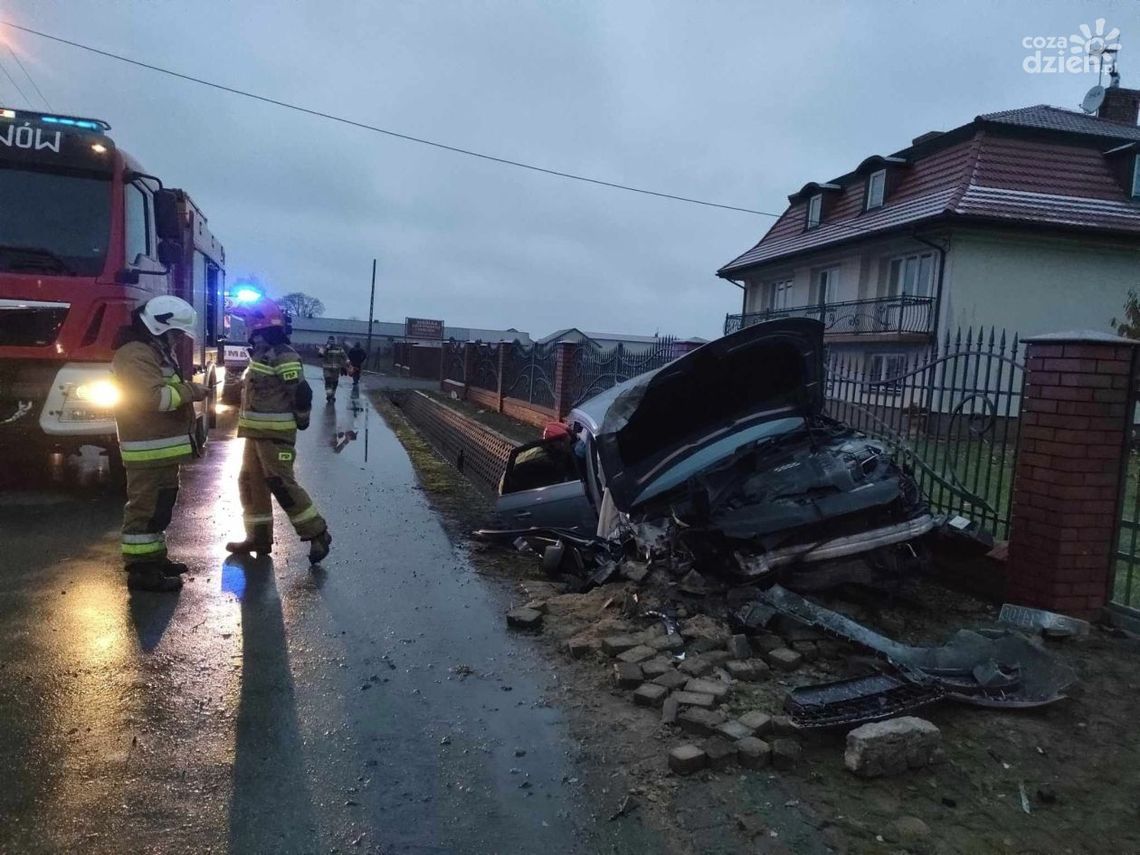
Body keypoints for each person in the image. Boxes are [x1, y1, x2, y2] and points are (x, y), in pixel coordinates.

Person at [111, 295, 209, 592]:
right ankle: (141, 571)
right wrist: (191, 391)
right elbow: (153, 398)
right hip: (147, 446)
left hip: (159, 446)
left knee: (159, 506)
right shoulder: (135, 354)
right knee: (145, 508)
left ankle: (154, 558)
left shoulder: (153, 350)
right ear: (158, 327)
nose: (177, 339)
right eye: (175, 333)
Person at [225, 296, 332, 565]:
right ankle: (258, 537)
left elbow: (301, 391)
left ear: (259, 324)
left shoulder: (283, 354)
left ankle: (317, 533)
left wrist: (303, 419)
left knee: (281, 484)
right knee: (250, 483)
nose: (246, 328)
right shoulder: (262, 353)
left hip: (275, 436)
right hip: (255, 435)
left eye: (248, 322)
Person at [508, 422, 580, 492]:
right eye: (567, 443)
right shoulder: (540, 458)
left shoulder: (553, 453)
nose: (568, 447)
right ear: (557, 443)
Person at [320, 336, 348, 403]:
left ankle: (332, 395)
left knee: (335, 383)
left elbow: (344, 356)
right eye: (330, 341)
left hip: (336, 370)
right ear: (327, 341)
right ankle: (329, 395)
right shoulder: (324, 347)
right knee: (328, 381)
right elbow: (320, 355)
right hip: (327, 369)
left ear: (334, 341)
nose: (331, 342)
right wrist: (327, 349)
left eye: (332, 341)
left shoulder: (339, 348)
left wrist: (348, 363)